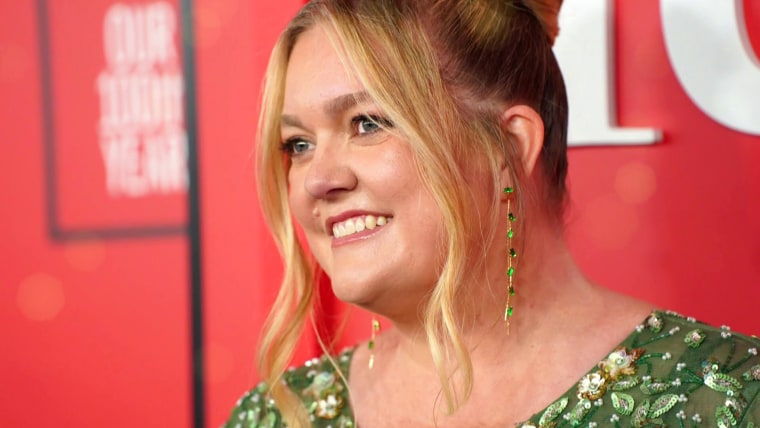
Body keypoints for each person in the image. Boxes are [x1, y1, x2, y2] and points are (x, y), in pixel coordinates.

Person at [224, 0, 760, 426]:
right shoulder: (274, 415)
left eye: (367, 123)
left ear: (509, 147)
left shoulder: (727, 399)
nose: (316, 180)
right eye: (298, 144)